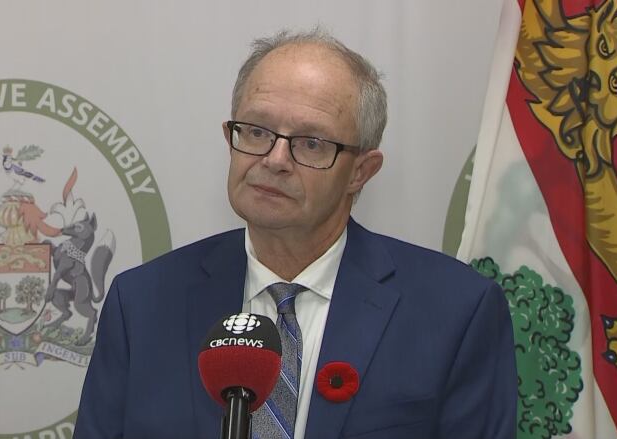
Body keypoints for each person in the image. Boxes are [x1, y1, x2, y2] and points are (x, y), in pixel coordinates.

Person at [74, 28, 516, 439]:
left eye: (310, 143)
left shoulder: (455, 312)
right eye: (257, 131)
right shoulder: (142, 302)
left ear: (360, 172)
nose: (275, 159)